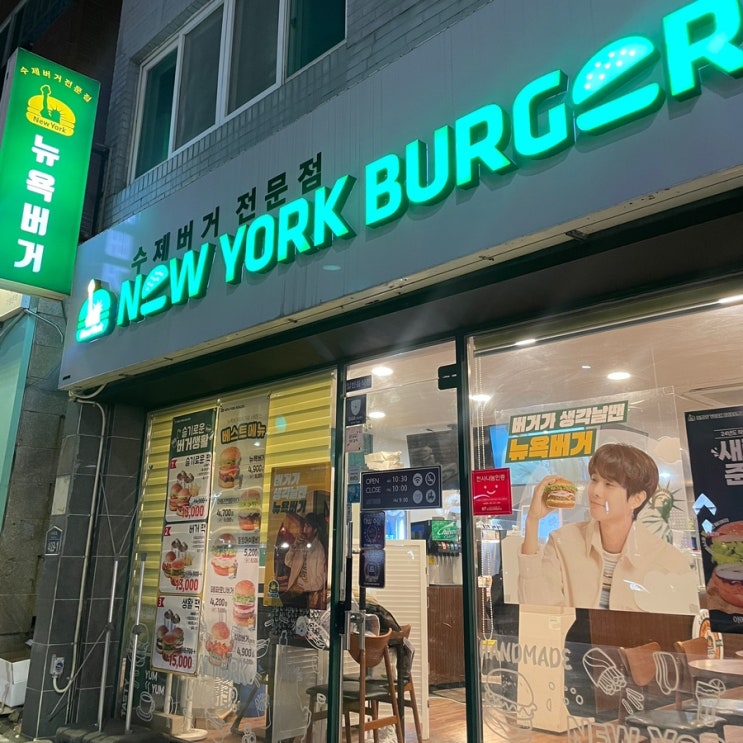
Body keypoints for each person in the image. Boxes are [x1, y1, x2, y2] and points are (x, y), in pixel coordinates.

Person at [518, 443, 697, 612]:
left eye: (609, 484)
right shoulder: (563, 541)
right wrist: (532, 521)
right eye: (594, 480)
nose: (595, 491)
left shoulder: (667, 560)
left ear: (637, 499)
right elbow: (538, 608)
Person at [278, 512, 328, 608]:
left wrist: (303, 588)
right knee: (278, 601)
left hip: (306, 593)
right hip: (293, 588)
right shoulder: (301, 544)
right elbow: (288, 562)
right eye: (304, 526)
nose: (305, 529)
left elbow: (320, 580)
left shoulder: (319, 549)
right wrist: (294, 546)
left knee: (283, 603)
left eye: (308, 527)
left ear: (315, 530)